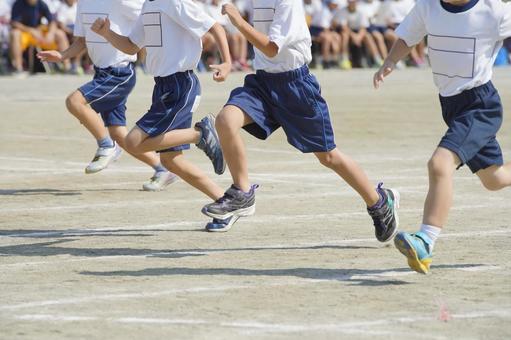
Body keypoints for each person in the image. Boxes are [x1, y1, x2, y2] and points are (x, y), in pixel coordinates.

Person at [201, 1, 400, 236]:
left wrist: (238, 21)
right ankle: (242, 192)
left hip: (296, 86)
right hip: (263, 83)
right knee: (225, 120)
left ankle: (379, 203)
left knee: (328, 156)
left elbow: (272, 48)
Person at [374, 0, 511, 274]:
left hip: (480, 106)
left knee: (440, 164)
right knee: (494, 179)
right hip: (451, 105)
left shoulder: (494, 10)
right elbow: (408, 36)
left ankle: (425, 241)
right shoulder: (428, 6)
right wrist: (390, 61)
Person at [90, 0, 235, 221]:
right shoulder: (149, 6)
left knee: (131, 142)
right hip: (163, 87)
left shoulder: (175, 2)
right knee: (171, 160)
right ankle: (225, 205)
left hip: (179, 85)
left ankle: (200, 134)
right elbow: (131, 45)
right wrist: (107, 33)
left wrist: (227, 62)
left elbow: (214, 26)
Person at [38, 0, 177, 192]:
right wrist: (62, 56)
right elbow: (81, 41)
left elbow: (148, 15)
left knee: (74, 101)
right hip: (101, 73)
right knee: (119, 134)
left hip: (119, 73)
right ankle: (162, 169)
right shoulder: (83, 4)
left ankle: (106, 145)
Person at [10, 0, 70, 75]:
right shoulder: (18, 4)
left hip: (39, 33)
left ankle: (67, 67)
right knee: (14, 33)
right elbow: (14, 23)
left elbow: (52, 21)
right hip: (24, 32)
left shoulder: (41, 3)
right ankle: (18, 68)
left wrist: (50, 33)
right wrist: (30, 30)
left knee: (60, 34)